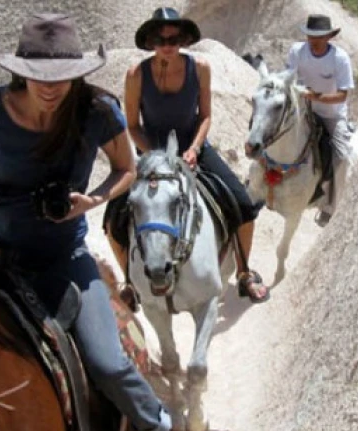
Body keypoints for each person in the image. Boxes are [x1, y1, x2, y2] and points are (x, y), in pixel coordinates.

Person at [0, 13, 198, 431]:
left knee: (109, 361)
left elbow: (127, 168)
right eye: (41, 78)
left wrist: (91, 201)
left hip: (62, 257)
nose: (51, 89)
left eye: (62, 79)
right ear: (20, 72)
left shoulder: (97, 110)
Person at [104, 7, 270, 307]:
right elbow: (131, 125)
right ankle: (130, 281)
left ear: (183, 39)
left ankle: (244, 272)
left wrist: (193, 148)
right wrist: (153, 154)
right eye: (160, 38)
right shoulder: (135, 75)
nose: (167, 43)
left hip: (194, 149)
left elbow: (205, 116)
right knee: (112, 218)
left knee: (243, 205)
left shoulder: (201, 68)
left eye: (174, 37)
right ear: (151, 41)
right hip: (152, 155)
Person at [286, 14, 354, 228]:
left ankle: (330, 207)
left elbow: (343, 94)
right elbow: (289, 78)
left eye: (318, 36)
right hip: (304, 110)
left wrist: (317, 97)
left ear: (328, 37)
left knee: (342, 157)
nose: (313, 40)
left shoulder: (340, 58)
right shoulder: (297, 52)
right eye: (310, 36)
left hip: (332, 114)